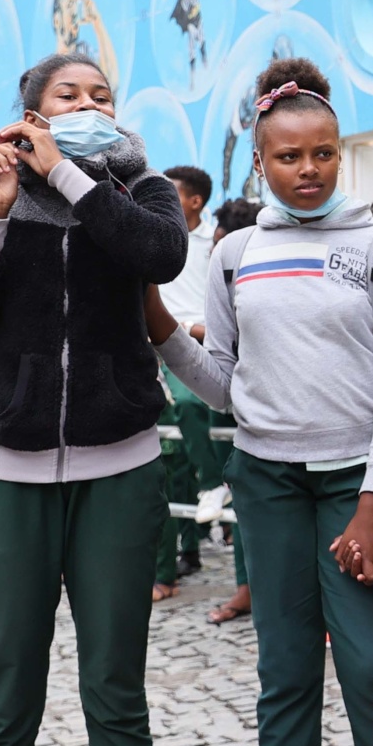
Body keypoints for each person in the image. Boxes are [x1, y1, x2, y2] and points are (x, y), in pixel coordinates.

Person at [0, 51, 187, 746]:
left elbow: (161, 256)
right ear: (32, 114)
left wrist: (72, 176)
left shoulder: (144, 190)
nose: (90, 107)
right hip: (4, 478)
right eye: (67, 97)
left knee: (116, 694)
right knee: (4, 704)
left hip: (121, 472)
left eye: (102, 96)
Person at [147, 58, 373, 746]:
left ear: (340, 152)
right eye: (288, 156)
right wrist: (163, 331)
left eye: (322, 153)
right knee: (286, 669)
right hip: (267, 483)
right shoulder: (235, 255)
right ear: (260, 163)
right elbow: (226, 386)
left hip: (356, 485)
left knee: (370, 665)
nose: (308, 169)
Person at [153, 166, 222, 603]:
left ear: (195, 201)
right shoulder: (155, 236)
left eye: (171, 194)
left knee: (193, 405)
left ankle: (215, 482)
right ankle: (187, 550)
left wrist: (197, 328)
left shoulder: (214, 245)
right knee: (169, 455)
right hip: (151, 346)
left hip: (194, 344)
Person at [202, 197, 260, 626]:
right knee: (245, 499)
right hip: (242, 410)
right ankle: (247, 589)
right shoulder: (224, 260)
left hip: (280, 418)